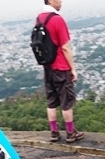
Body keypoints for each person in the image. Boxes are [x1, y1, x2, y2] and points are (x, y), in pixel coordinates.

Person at [37, 0, 84, 144]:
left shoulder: (39, 18)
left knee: (51, 101)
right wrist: (73, 69)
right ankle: (70, 133)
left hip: (48, 67)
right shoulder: (57, 19)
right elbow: (65, 47)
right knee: (66, 101)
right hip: (61, 66)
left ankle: (54, 132)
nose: (61, 2)